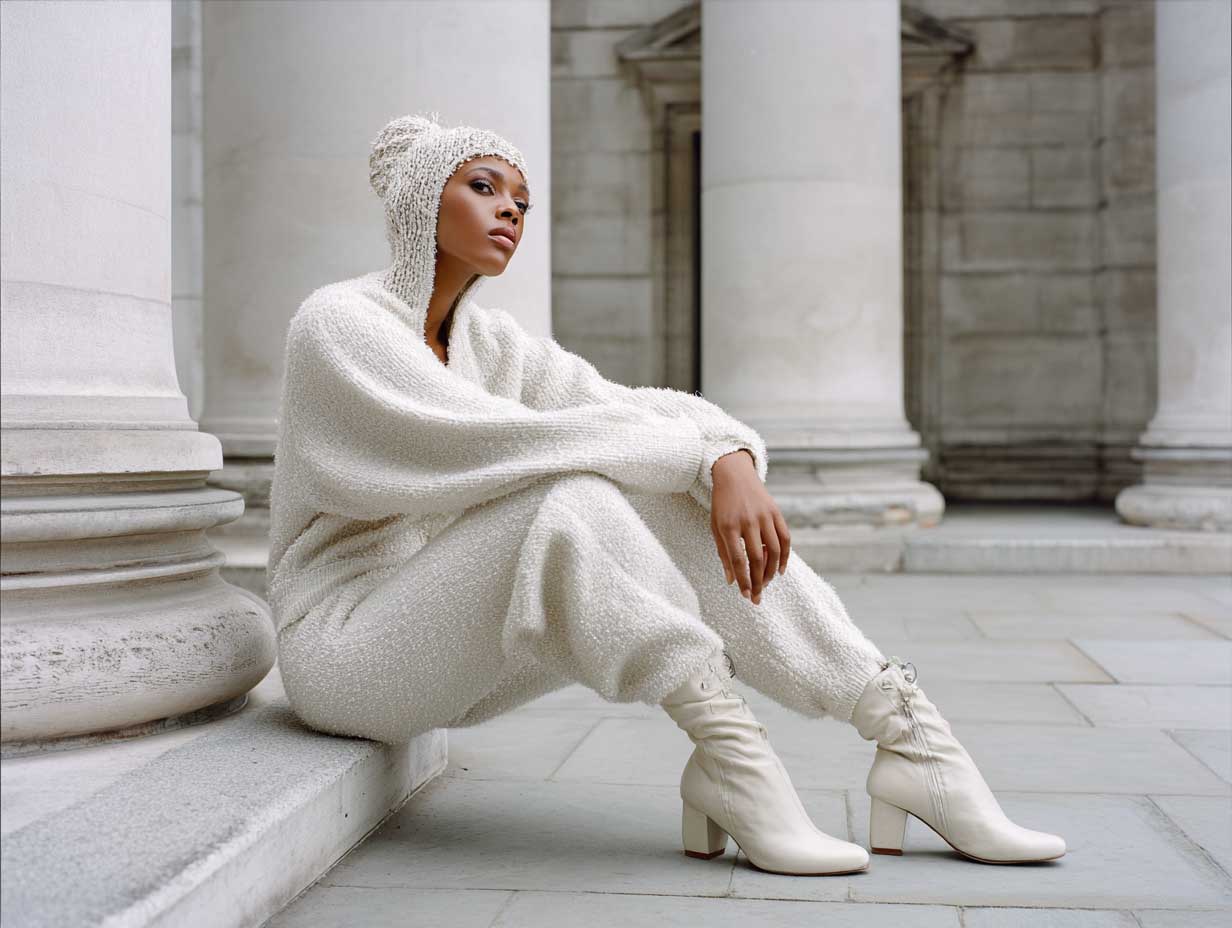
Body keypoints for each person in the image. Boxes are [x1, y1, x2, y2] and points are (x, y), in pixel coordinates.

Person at [267, 111, 1066, 877]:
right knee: (573, 493)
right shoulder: (340, 324)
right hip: (348, 652)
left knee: (653, 484)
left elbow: (619, 406)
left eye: (521, 199)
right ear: (420, 198)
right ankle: (731, 752)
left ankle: (907, 736)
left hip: (453, 636)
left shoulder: (490, 343)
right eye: (483, 186)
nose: (510, 207)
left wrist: (725, 456)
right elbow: (497, 444)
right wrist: (697, 459)